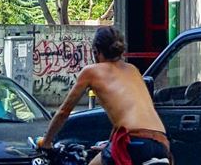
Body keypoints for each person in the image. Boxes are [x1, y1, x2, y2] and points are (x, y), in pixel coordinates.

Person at [38, 27, 172, 165]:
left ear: (96, 51)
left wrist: (46, 142)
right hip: (160, 144)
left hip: (133, 142)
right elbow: (125, 116)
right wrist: (111, 143)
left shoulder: (91, 72)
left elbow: (63, 112)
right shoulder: (133, 70)